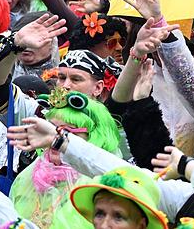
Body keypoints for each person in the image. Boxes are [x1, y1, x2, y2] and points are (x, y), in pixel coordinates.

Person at [10, 89, 122, 228]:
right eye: (50, 129)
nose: (53, 139)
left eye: (67, 132)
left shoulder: (102, 180)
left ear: (94, 136)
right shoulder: (28, 175)